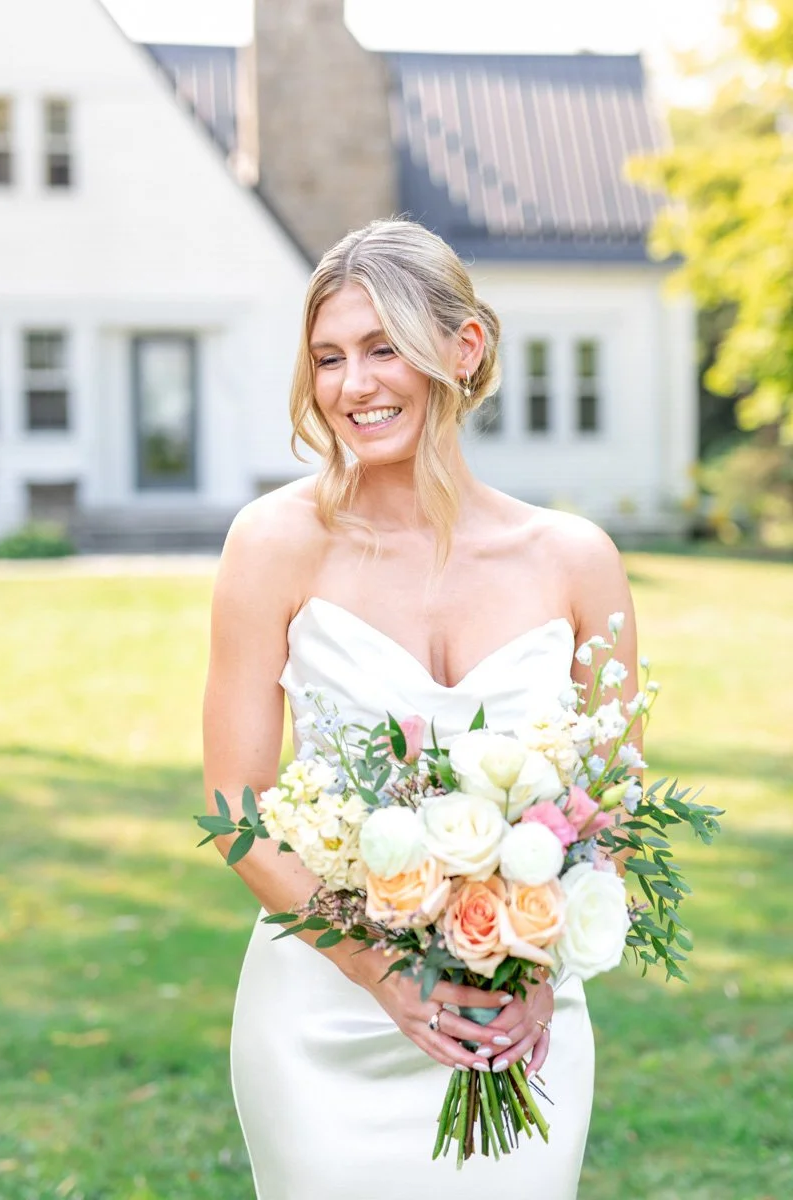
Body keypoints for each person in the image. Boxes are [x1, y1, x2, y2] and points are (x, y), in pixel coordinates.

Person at [202, 218, 638, 1199]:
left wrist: (529, 970)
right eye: (327, 357)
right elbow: (237, 804)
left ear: (462, 348)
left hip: (522, 1017)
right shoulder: (273, 543)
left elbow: (611, 797)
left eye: (382, 347)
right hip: (324, 1018)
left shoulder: (573, 560)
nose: (353, 385)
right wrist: (380, 972)